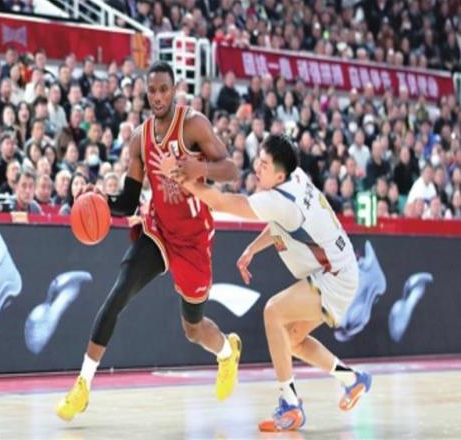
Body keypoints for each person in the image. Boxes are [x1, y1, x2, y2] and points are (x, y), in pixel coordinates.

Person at [56, 61, 242, 421]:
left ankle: (226, 352)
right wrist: (101, 199)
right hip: (158, 229)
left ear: (174, 90)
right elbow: (129, 201)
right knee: (118, 294)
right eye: (152, 90)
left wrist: (200, 168)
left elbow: (231, 170)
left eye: (163, 89)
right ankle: (82, 386)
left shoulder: (193, 125)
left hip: (193, 239)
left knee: (193, 329)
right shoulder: (140, 138)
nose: (157, 96)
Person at [153, 134, 371, 432]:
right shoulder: (295, 178)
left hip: (336, 276)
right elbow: (281, 223)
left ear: (280, 175)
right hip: (339, 267)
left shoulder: (278, 200)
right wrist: (253, 248)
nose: (257, 167)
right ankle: (353, 379)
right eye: (259, 159)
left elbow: (220, 201)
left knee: (273, 312)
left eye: (264, 165)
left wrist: (180, 176)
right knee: (292, 340)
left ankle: (290, 405)